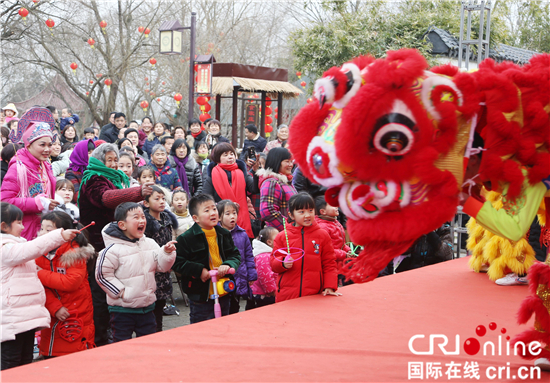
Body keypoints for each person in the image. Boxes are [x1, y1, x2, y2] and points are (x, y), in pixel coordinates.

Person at [78, 143, 154, 346]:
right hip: (98, 244)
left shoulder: (116, 179)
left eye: (115, 160)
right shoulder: (93, 178)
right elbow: (106, 198)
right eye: (109, 160)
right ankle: (102, 337)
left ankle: (116, 331)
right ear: (98, 160)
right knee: (101, 293)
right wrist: (136, 193)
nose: (113, 164)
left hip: (117, 242)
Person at [461, 133, 547, 285]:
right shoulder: (507, 163)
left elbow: (513, 229)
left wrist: (465, 200)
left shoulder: (519, 169)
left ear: (473, 159)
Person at [1, 202, 79, 370]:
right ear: (4, 226)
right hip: (11, 317)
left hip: (25, 317)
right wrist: (59, 236)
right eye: (19, 222)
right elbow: (31, 248)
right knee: (11, 363)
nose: (23, 227)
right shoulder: (4, 247)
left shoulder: (18, 245)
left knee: (25, 361)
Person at [95, 202, 176, 342]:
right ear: (122, 225)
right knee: (122, 343)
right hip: (122, 310)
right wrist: (121, 292)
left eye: (143, 216)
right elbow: (102, 276)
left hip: (147, 307)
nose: (141, 220)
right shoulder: (112, 250)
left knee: (148, 343)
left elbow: (162, 267)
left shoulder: (149, 243)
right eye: (136, 217)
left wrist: (167, 253)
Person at [173, 194, 241, 323]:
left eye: (214, 209)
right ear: (195, 218)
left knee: (224, 325)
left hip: (223, 290)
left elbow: (235, 255)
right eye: (207, 210)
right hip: (201, 295)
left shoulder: (223, 234)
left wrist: (228, 264)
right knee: (201, 326)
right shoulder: (186, 238)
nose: (212, 213)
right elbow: (177, 262)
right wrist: (199, 271)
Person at [36, 211, 95, 357]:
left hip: (76, 311)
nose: (42, 233)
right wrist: (55, 307)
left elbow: (71, 282)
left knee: (75, 353)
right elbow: (41, 287)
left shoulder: (74, 253)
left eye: (48, 230)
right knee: (52, 351)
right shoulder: (38, 252)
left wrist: (38, 273)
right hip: (53, 312)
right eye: (41, 228)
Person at [270, 193, 340, 302]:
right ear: (291, 215)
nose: (307, 215)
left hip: (314, 294)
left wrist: (329, 286)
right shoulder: (282, 236)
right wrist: (282, 263)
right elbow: (273, 263)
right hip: (287, 295)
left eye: (310, 210)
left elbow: (329, 262)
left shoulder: (322, 235)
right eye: (301, 212)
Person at [1, 116, 59, 240]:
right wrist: (37, 203)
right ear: (28, 145)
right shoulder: (18, 167)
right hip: (25, 232)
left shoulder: (46, 165)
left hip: (43, 230)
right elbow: (5, 202)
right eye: (42, 145)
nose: (47, 149)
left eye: (50, 145)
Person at [202, 142, 260, 238]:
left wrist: (255, 171)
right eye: (225, 155)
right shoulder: (212, 176)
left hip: (242, 220)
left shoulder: (241, 173)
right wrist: (225, 206)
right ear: (217, 158)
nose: (230, 157)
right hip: (221, 222)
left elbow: (254, 189)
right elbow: (206, 200)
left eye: (232, 154)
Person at [143, 186, 179, 332]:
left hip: (165, 270)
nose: (162, 201)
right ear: (146, 203)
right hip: (151, 269)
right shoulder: (145, 222)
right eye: (156, 199)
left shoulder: (167, 218)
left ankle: (158, 332)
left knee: (160, 308)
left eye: (163, 198)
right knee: (150, 311)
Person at [217, 200, 257, 313]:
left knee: (235, 305)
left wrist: (251, 275)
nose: (232, 216)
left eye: (234, 213)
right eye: (227, 213)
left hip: (240, 275)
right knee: (223, 306)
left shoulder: (242, 234)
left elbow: (249, 256)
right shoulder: (217, 234)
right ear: (219, 217)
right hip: (223, 277)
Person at [314, 195, 351, 286]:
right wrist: (344, 254)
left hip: (339, 262)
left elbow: (340, 243)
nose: (336, 207)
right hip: (330, 265)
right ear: (323, 211)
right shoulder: (323, 227)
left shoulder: (335, 222)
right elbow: (325, 250)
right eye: (332, 205)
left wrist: (348, 250)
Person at [258, 147, 297, 231]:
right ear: (277, 162)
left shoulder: (285, 181)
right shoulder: (272, 182)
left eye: (291, 161)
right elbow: (268, 211)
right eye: (287, 161)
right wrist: (288, 228)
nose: (291, 165)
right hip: (279, 234)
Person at [251, 226, 279, 307]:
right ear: (269, 242)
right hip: (264, 295)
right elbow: (265, 276)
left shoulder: (270, 254)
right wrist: (272, 292)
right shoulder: (264, 256)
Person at [64, 139, 94, 204]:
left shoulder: (94, 170)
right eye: (89, 153)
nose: (92, 156)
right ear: (81, 154)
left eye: (93, 152)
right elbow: (77, 196)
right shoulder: (71, 173)